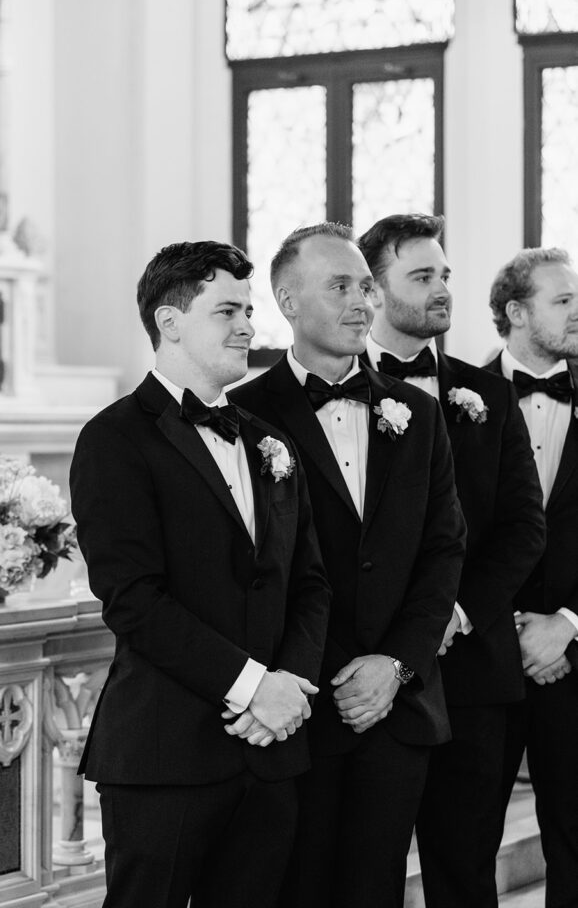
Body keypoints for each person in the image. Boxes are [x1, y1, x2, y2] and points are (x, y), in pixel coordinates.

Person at [70, 240, 331, 908]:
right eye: (228, 311)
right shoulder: (116, 438)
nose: (249, 326)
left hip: (271, 751)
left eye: (249, 310)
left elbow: (309, 582)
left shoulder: (271, 441)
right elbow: (134, 601)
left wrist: (289, 690)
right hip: (165, 754)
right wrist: (253, 689)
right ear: (170, 322)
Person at [231, 222, 466, 908]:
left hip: (398, 705)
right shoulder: (243, 415)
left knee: (376, 889)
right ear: (287, 300)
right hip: (297, 706)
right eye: (340, 286)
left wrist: (395, 664)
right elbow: (254, 569)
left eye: (366, 285)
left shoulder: (418, 415)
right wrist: (325, 671)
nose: (362, 301)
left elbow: (442, 548)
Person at [357, 214, 545, 908]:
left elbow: (524, 529)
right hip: (366, 674)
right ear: (372, 292)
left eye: (445, 276)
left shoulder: (490, 395)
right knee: (362, 867)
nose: (442, 290)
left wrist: (454, 615)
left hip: (473, 673)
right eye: (421, 276)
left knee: (465, 871)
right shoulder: (338, 397)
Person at [487, 247, 578, 908]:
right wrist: (504, 625)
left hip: (575, 659)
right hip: (478, 661)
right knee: (463, 836)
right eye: (563, 300)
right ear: (517, 312)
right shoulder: (457, 397)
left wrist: (569, 623)